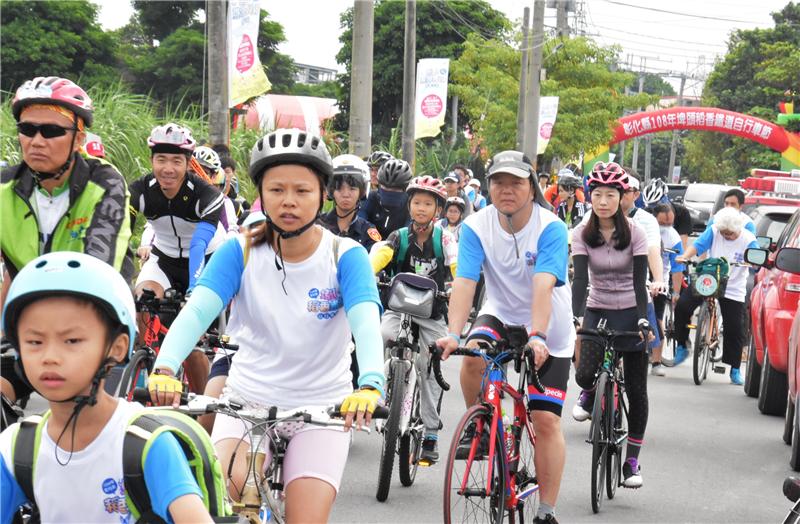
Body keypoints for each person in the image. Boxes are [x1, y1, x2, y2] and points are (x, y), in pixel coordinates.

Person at [147, 128, 385, 522]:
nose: (288, 201)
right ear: (262, 194)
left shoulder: (346, 255)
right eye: (276, 190)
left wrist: (372, 383)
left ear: (322, 195)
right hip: (246, 402)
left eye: (302, 191)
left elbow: (365, 321)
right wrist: (164, 367)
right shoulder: (238, 250)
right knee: (225, 501)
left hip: (322, 409)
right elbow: (197, 311)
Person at [0, 252, 213, 523]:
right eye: (34, 342)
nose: (49, 356)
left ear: (117, 347)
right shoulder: (15, 448)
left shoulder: (145, 445)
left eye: (72, 340)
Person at [437, 150, 574, 524]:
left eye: (516, 182)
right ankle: (480, 426)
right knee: (472, 356)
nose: (506, 189)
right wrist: (452, 333)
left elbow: (543, 285)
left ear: (532, 187)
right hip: (499, 312)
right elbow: (465, 282)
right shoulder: (476, 225)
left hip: (549, 326)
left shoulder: (551, 227)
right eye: (499, 181)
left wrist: (538, 336)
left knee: (545, 421)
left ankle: (546, 511)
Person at [1, 76, 132, 407]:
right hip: (30, 330)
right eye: (27, 129)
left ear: (78, 139)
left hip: (95, 325)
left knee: (76, 418)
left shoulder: (105, 184)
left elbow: (96, 274)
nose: (36, 140)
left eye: (52, 131)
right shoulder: (3, 188)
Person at [570, 161, 652, 489]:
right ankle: (590, 393)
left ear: (622, 197)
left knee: (636, 389)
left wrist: (644, 318)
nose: (603, 201)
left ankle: (631, 461)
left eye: (611, 194)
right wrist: (576, 316)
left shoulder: (636, 233)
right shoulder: (580, 233)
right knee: (584, 374)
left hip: (633, 310)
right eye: (597, 194)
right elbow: (579, 281)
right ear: (590, 197)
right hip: (597, 308)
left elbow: (638, 280)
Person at [129, 124, 227, 395]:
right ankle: (147, 352)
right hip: (164, 260)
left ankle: (203, 405)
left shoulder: (205, 193)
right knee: (143, 298)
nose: (168, 168)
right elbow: (121, 229)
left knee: (192, 342)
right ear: (152, 161)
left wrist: (195, 289)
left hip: (204, 259)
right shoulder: (140, 190)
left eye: (176, 161)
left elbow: (198, 244)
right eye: (161, 160)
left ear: (188, 163)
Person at [370, 176, 457, 464]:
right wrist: (368, 274)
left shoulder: (444, 239)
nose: (421, 208)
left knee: (430, 367)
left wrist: (458, 286)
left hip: (433, 313)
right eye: (417, 202)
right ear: (409, 206)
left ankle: (430, 432)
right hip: (399, 308)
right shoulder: (398, 237)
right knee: (383, 334)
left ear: (438, 210)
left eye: (428, 203)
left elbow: (458, 266)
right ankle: (384, 392)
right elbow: (379, 256)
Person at [673, 207, 758, 384]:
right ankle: (682, 344)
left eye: (730, 233)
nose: (726, 235)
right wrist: (684, 257)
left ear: (738, 229)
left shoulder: (748, 239)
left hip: (733, 286)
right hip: (709, 277)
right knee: (682, 306)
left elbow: (754, 257)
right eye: (723, 232)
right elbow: (698, 245)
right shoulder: (714, 231)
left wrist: (749, 262)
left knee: (735, 328)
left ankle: (734, 369)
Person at [649, 203, 685, 376]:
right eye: (662, 224)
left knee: (656, 320)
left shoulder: (674, 237)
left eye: (670, 224)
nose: (666, 227)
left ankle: (656, 361)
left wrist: (676, 292)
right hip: (637, 278)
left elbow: (677, 268)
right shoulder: (644, 227)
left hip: (659, 282)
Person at [320, 154, 382, 252]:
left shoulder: (368, 230)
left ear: (362, 192)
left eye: (352, 188)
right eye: (339, 188)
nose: (346, 194)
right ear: (331, 191)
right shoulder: (318, 225)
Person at [358, 158, 413, 238]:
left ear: (405, 189)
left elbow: (409, 230)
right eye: (385, 187)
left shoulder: (410, 203)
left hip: (400, 245)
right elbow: (360, 221)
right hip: (371, 245)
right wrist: (374, 238)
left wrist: (395, 241)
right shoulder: (371, 197)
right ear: (379, 184)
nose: (390, 192)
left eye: (396, 189)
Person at [193, 146, 239, 237]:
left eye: (203, 172)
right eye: (192, 171)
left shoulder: (223, 202)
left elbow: (231, 234)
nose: (196, 176)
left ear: (213, 177)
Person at [641, 178, 693, 248]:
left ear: (666, 198)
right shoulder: (645, 213)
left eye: (656, 205)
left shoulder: (682, 213)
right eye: (651, 206)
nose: (654, 209)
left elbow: (682, 244)